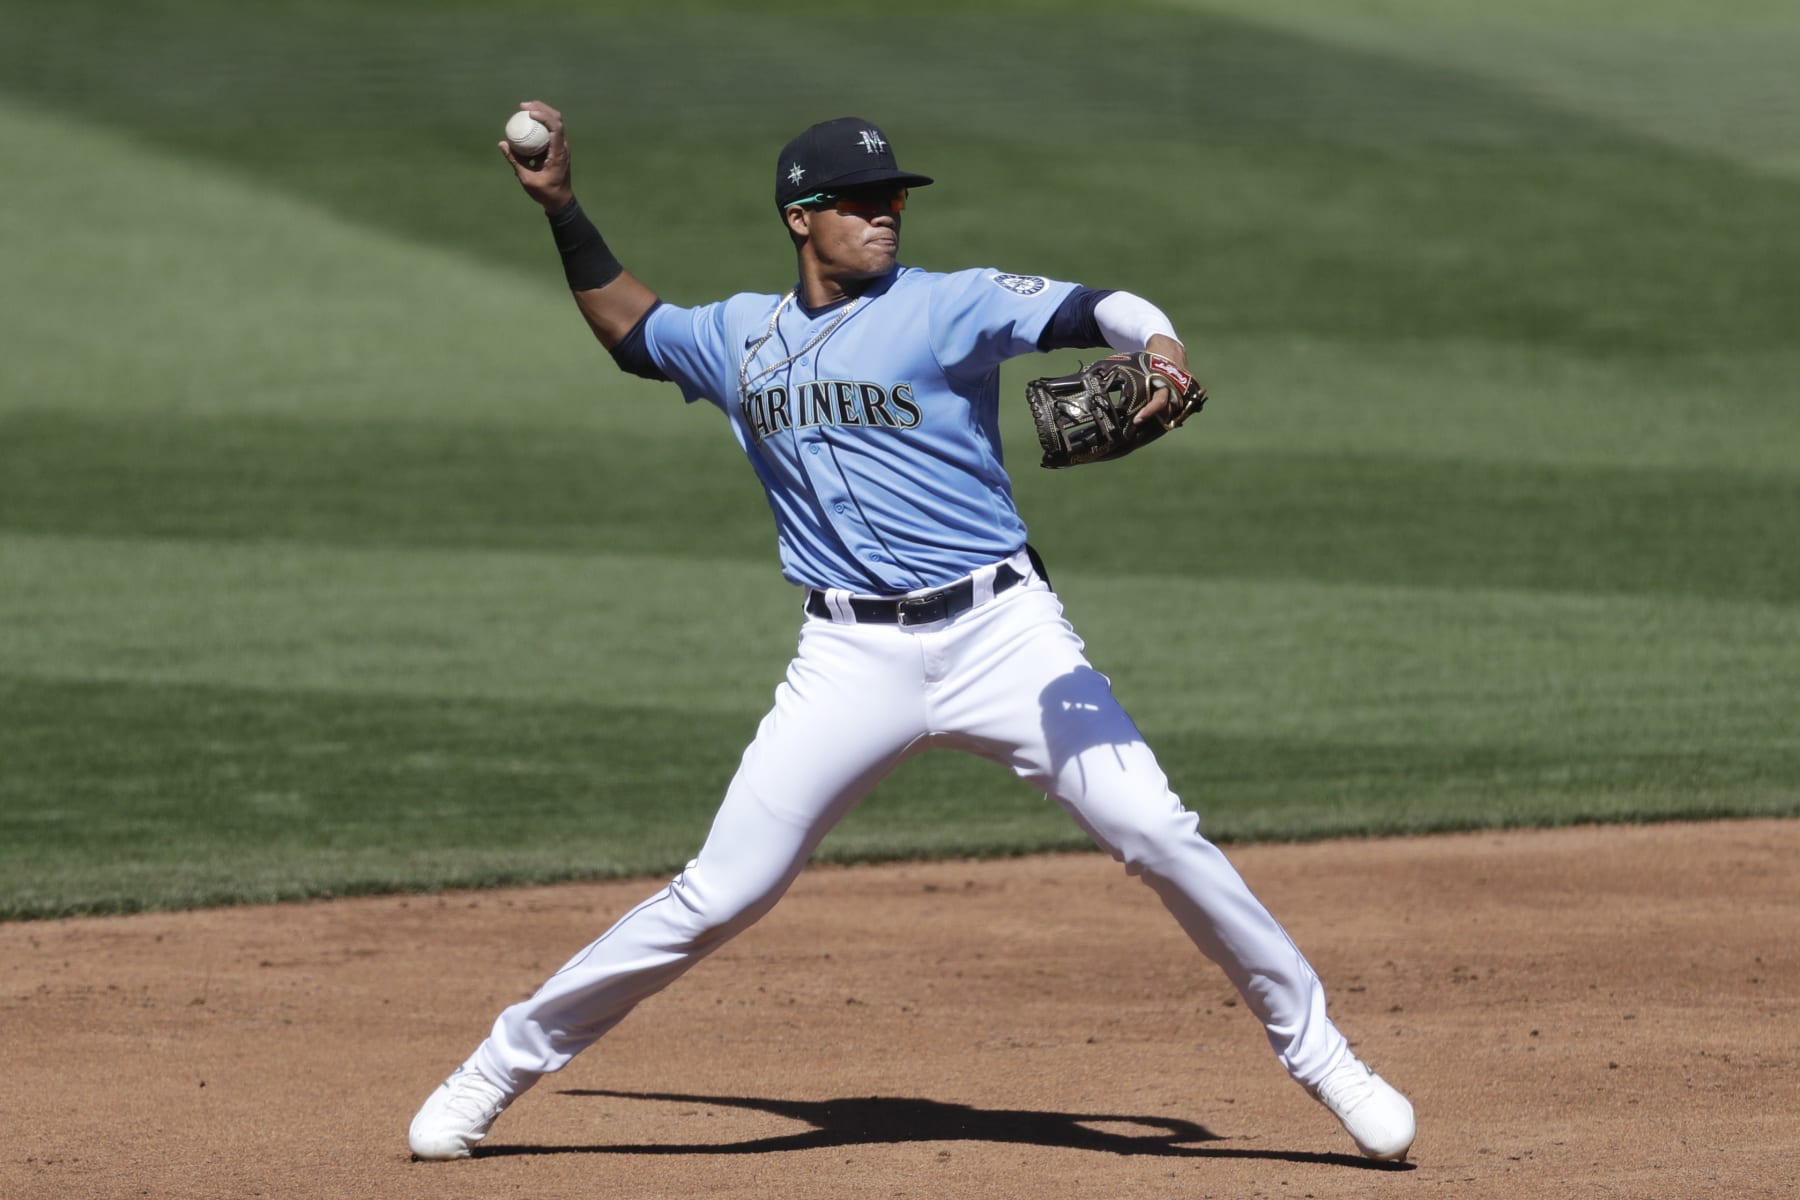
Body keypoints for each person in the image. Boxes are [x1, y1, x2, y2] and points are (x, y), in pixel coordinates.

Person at [407, 102, 1416, 1165]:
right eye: (864, 202)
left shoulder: (950, 305)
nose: (889, 218)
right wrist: (562, 209)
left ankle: (1322, 1055)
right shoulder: (738, 336)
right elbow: (633, 332)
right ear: (802, 216)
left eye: (896, 200)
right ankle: (496, 1069)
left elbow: (1095, 307)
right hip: (849, 658)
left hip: (1004, 635)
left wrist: (1157, 342)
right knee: (721, 894)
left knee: (1160, 833)